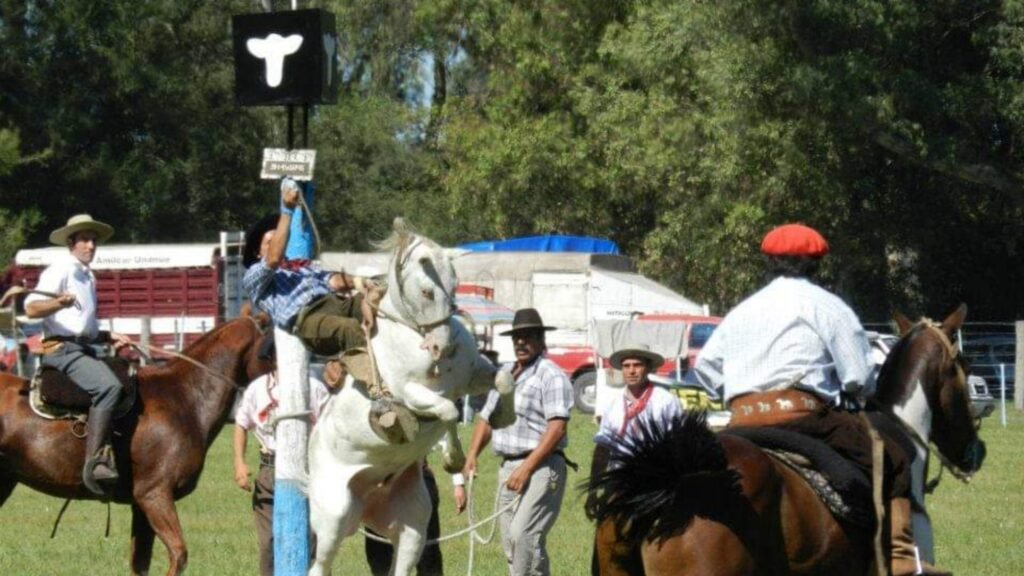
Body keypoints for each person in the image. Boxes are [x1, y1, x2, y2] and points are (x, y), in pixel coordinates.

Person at [686, 223, 944, 576]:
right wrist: (854, 391)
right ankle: (900, 558)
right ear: (815, 264)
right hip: (805, 418)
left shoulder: (741, 311)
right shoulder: (829, 307)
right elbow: (858, 378)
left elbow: (706, 369)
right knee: (897, 456)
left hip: (741, 421)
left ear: (770, 262)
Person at [24, 214, 132, 496]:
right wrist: (58, 302)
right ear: (71, 242)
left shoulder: (88, 277)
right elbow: (32, 308)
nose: (90, 245)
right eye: (84, 239)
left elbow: (84, 327)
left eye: (94, 240)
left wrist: (108, 336)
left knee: (127, 375)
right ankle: (96, 461)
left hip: (82, 347)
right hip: (60, 351)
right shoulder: (60, 269)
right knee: (109, 387)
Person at [462, 308, 575, 576]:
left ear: (541, 340)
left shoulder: (551, 375)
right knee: (513, 546)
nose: (521, 342)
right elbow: (486, 418)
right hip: (508, 467)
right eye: (517, 337)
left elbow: (557, 428)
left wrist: (526, 469)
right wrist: (472, 454)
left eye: (528, 336)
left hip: (541, 465)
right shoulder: (506, 375)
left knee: (523, 535)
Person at [241, 182, 381, 389]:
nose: (277, 245)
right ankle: (378, 392)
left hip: (332, 303)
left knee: (378, 301)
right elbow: (272, 259)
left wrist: (362, 282)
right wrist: (286, 210)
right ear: (257, 252)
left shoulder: (301, 267)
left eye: (279, 240)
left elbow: (332, 280)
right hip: (306, 318)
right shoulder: (254, 276)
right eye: (269, 242)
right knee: (348, 328)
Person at [233, 368, 331, 576]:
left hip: (309, 469)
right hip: (270, 469)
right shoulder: (258, 389)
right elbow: (241, 423)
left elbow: (331, 427)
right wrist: (239, 463)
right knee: (269, 543)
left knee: (313, 541)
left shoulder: (315, 388)